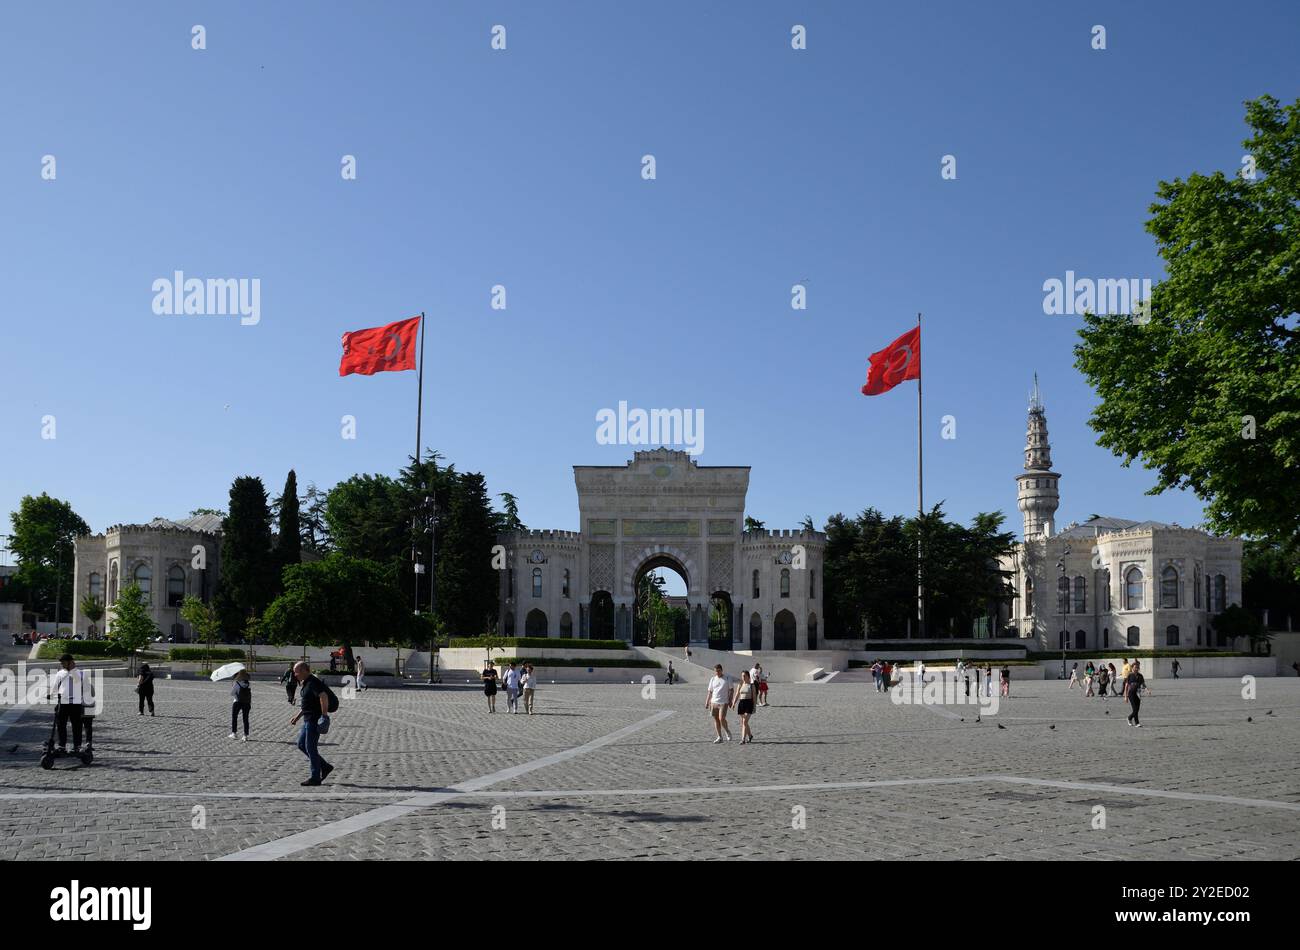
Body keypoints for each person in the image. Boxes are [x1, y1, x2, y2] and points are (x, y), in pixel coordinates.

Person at [291, 660, 334, 785]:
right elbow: (307, 704)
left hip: (314, 721)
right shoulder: (306, 683)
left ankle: (315, 777)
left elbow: (323, 696)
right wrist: (297, 717)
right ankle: (325, 766)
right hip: (307, 720)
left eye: (296, 672)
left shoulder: (314, 682)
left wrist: (324, 716)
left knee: (311, 748)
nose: (295, 675)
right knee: (301, 745)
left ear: (304, 670)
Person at [49, 654, 94, 755]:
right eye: (61, 663)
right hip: (63, 703)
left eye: (63, 662)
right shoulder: (60, 673)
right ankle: (62, 746)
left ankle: (77, 746)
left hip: (76, 703)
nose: (61, 664)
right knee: (61, 725)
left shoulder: (81, 674)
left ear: (70, 662)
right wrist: (51, 694)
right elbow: (55, 687)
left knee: (76, 726)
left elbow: (86, 689)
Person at [705, 664, 733, 743]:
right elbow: (710, 691)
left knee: (721, 718)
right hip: (713, 702)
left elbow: (731, 690)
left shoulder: (727, 678)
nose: (717, 672)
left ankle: (727, 731)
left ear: (721, 670)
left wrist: (730, 700)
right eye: (716, 671)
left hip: (723, 702)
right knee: (716, 720)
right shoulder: (713, 679)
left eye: (718, 671)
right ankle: (719, 737)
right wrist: (707, 701)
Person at [1123, 660, 1149, 727]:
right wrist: (1126, 696)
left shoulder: (1140, 676)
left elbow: (1143, 684)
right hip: (1131, 694)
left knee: (1137, 709)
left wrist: (1147, 690)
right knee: (1135, 709)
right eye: (1135, 667)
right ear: (1132, 668)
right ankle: (1137, 723)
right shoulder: (1130, 675)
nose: (1136, 669)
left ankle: (1129, 718)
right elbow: (1126, 686)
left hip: (1138, 694)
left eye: (1137, 667)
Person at [731, 670, 756, 744]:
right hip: (741, 703)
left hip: (749, 703)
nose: (743, 677)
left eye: (744, 676)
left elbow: (754, 696)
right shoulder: (740, 684)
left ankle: (743, 739)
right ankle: (750, 735)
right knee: (744, 722)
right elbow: (737, 695)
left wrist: (754, 706)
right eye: (742, 676)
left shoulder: (752, 685)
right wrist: (733, 703)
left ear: (748, 676)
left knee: (744, 722)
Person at [229, 670, 252, 741]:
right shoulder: (248, 683)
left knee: (234, 717)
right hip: (247, 702)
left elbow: (232, 693)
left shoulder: (237, 683)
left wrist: (233, 686)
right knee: (245, 719)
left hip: (237, 702)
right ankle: (245, 735)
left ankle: (234, 733)